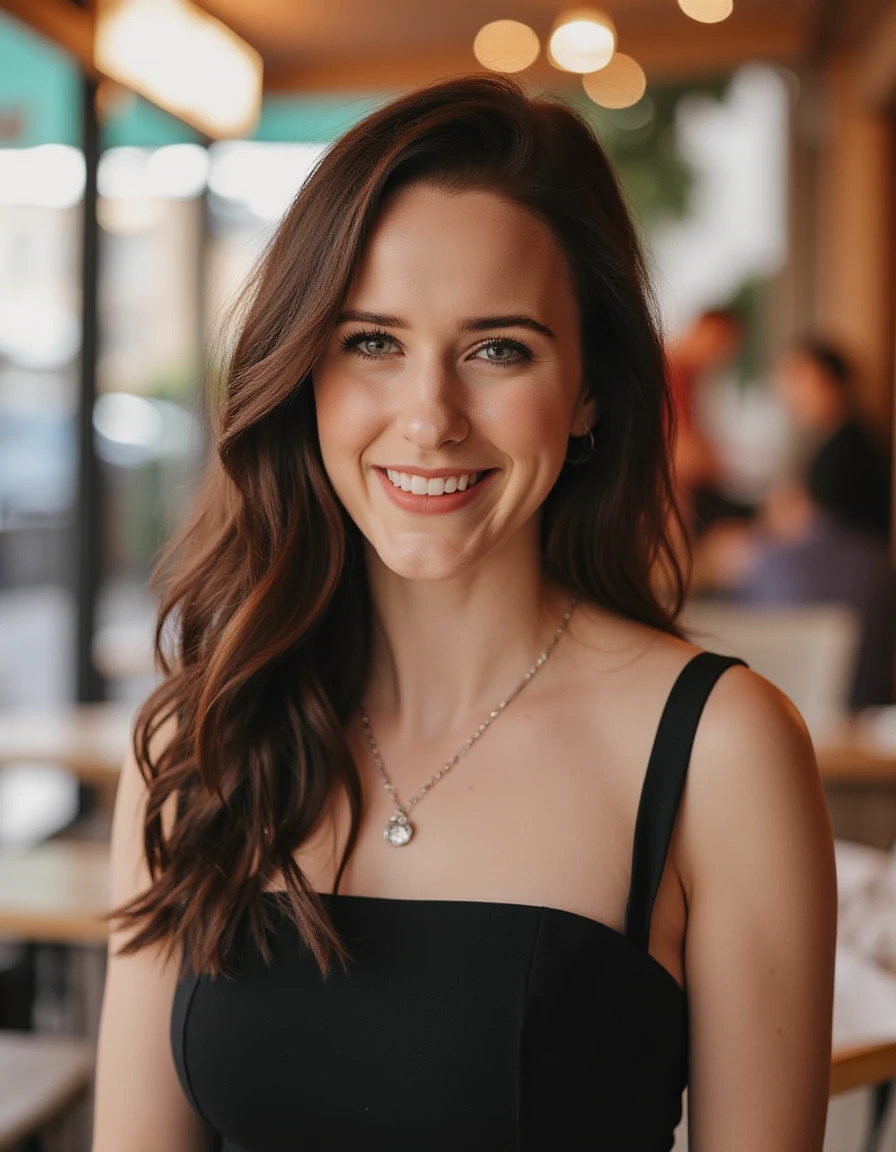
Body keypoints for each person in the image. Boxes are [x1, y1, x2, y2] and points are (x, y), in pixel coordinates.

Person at [93, 77, 836, 1152]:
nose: (430, 417)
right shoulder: (195, 740)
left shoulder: (720, 751)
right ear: (302, 371)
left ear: (587, 389)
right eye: (370, 342)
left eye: (498, 349)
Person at [775, 338, 891, 539]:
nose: (793, 394)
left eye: (800, 379)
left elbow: (813, 523)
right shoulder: (834, 440)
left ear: (834, 384)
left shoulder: (851, 447)